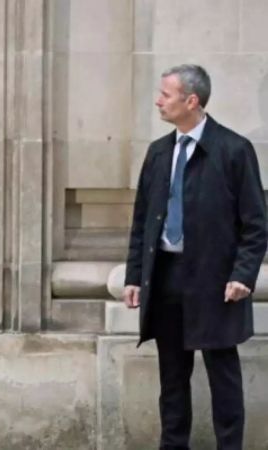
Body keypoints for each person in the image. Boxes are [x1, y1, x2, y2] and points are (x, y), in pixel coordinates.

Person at [123, 64, 267, 449]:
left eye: (165, 95)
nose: (158, 101)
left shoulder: (234, 150)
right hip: (166, 277)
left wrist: (243, 275)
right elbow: (142, 223)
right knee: (172, 377)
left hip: (217, 282)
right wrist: (135, 276)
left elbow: (256, 224)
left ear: (192, 100)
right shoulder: (157, 153)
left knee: (223, 374)